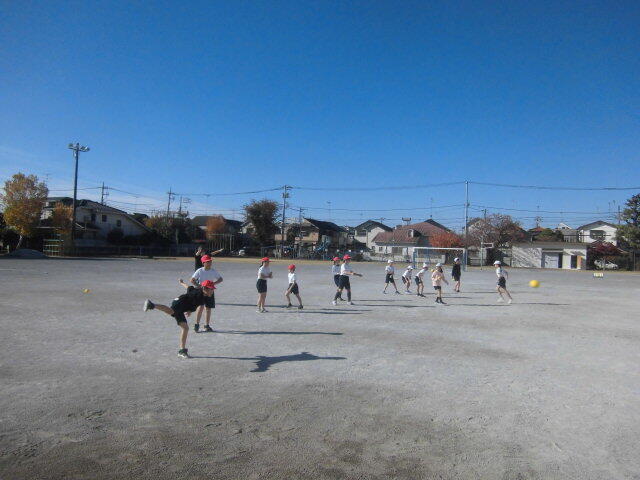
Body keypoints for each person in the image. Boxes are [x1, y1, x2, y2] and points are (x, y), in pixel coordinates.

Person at [143, 279, 216, 358]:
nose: (212, 291)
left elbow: (188, 287)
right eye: (211, 289)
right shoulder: (200, 297)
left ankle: (152, 305)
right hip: (179, 304)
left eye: (213, 289)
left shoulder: (197, 291)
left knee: (172, 313)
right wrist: (190, 310)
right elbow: (194, 304)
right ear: (205, 289)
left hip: (178, 301)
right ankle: (182, 351)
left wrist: (182, 283)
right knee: (184, 326)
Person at [191, 255, 224, 332]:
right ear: (203, 263)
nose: (210, 262)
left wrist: (213, 284)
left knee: (208, 308)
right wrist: (199, 286)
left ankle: (207, 325)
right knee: (200, 307)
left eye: (210, 261)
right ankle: (196, 325)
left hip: (210, 292)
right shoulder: (200, 270)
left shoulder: (213, 271)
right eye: (208, 261)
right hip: (201, 292)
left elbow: (220, 279)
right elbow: (192, 280)